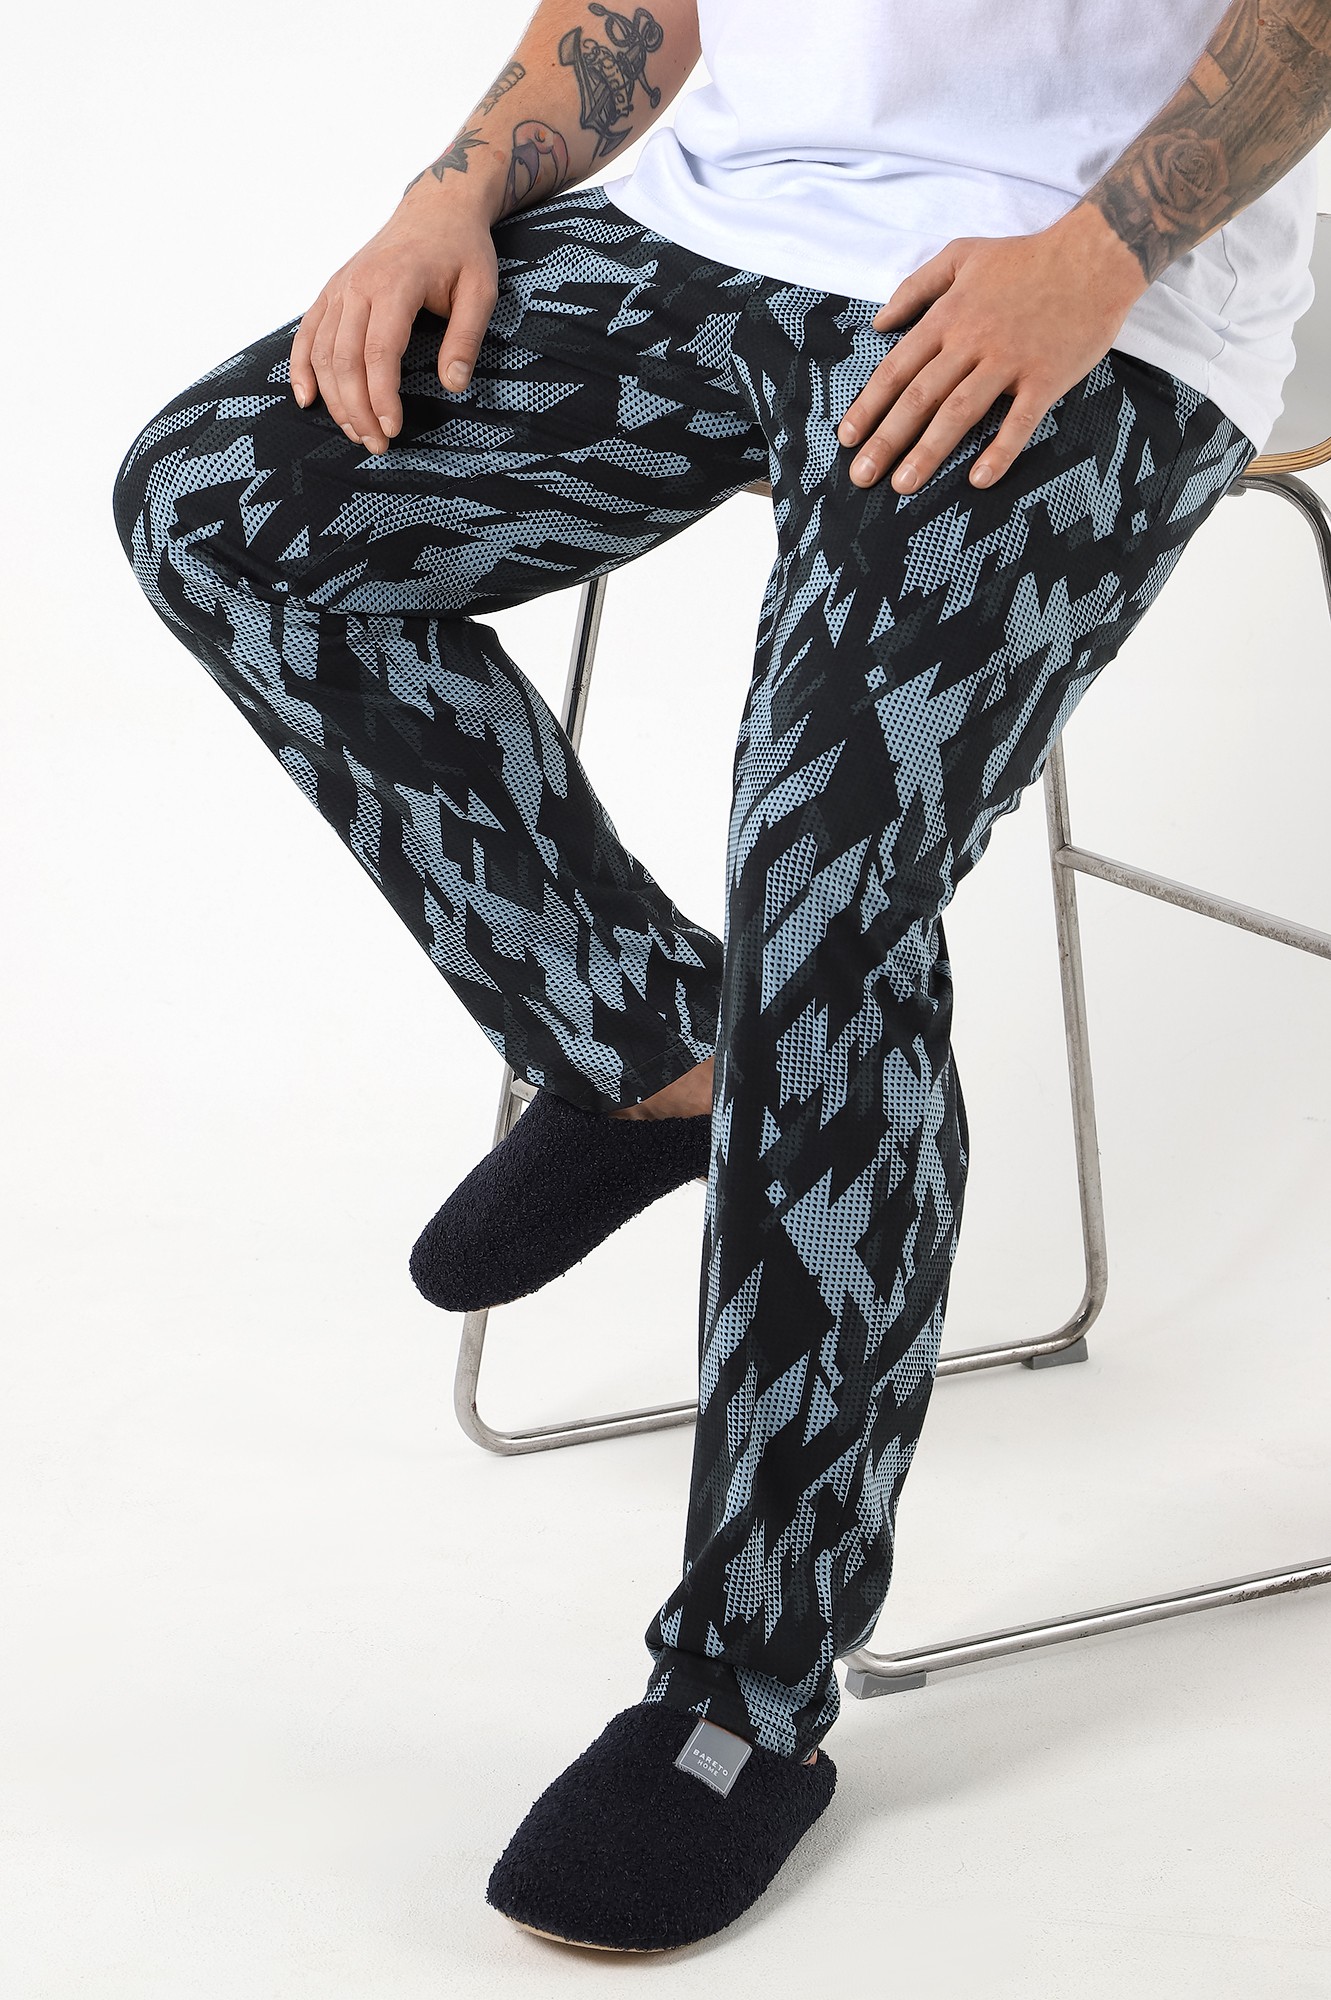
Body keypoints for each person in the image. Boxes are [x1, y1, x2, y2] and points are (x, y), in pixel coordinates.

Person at [111, 0, 1326, 1954]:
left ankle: (742, 1695)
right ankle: (646, 1050)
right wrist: (451, 194)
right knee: (219, 511)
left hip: (1086, 272)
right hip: (710, 220)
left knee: (826, 884)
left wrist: (1094, 261)